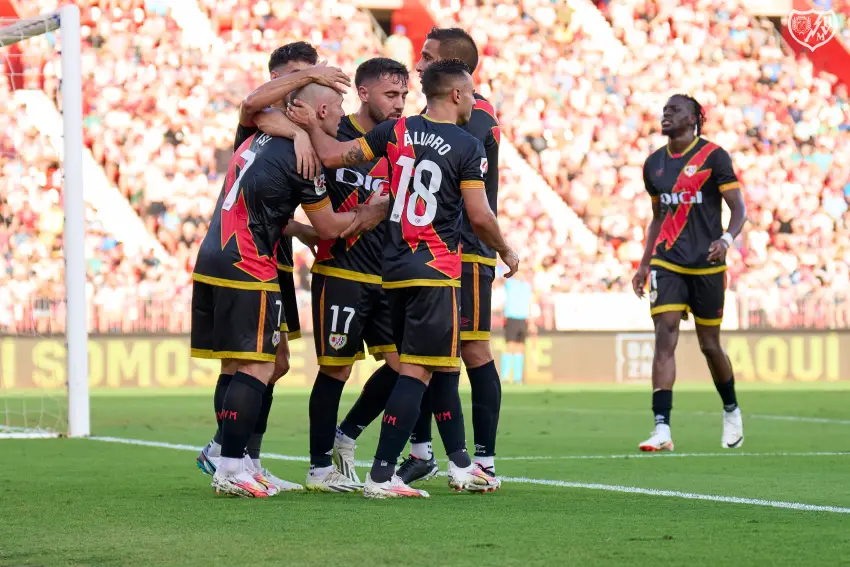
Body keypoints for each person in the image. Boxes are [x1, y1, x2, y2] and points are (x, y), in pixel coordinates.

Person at [287, 59, 519, 499]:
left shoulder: (395, 132)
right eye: (471, 93)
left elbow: (334, 155)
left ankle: (455, 463)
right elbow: (481, 214)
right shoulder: (467, 146)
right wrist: (505, 248)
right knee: (417, 371)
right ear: (454, 95)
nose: (475, 100)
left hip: (392, 271)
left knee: (427, 368)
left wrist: (306, 129)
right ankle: (382, 474)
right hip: (434, 269)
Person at [191, 83, 360, 501]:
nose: (343, 114)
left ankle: (236, 461)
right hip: (249, 261)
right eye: (338, 106)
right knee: (257, 368)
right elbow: (330, 229)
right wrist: (373, 209)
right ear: (319, 110)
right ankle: (229, 465)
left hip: (214, 253)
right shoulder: (303, 158)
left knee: (246, 366)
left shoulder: (259, 134)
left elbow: (253, 109)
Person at [296, 57, 409, 492]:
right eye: (390, 95)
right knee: (336, 371)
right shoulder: (333, 133)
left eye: (403, 95)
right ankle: (318, 468)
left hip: (388, 276)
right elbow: (293, 186)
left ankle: (348, 435)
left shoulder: (400, 140)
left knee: (405, 368)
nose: (399, 104)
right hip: (341, 270)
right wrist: (301, 229)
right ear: (363, 93)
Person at [399, 27, 505, 487]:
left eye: (426, 56)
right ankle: (422, 450)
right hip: (428, 250)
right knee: (423, 352)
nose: (417, 64)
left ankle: (482, 459)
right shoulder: (429, 114)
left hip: (465, 251)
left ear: (453, 67)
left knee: (472, 350)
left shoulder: (475, 115)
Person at [632, 94, 747, 452]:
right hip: (667, 263)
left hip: (707, 264)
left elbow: (739, 209)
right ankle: (662, 428)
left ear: (695, 117)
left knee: (709, 345)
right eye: (665, 110)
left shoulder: (714, 157)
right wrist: (645, 261)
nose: (667, 114)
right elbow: (658, 218)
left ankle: (731, 411)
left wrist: (727, 239)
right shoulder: (653, 164)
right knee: (664, 337)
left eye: (675, 110)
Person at [500, 267, 534, 384]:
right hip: (512, 317)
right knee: (510, 346)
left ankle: (517, 378)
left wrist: (531, 321)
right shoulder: (510, 284)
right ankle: (505, 376)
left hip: (523, 318)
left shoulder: (527, 286)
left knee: (520, 347)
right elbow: (501, 277)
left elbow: (530, 304)